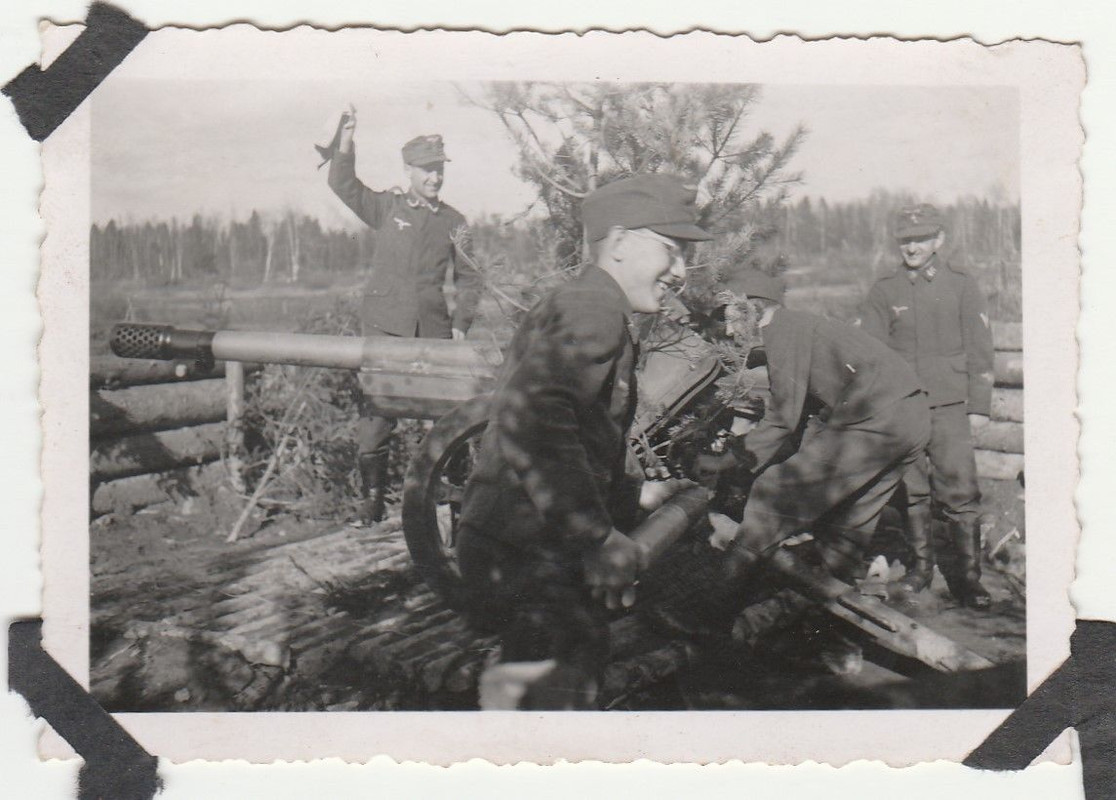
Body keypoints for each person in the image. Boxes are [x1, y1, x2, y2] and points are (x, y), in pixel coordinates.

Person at [454, 174, 713, 710]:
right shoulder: (594, 310)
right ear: (618, 243)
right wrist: (597, 537)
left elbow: (571, 430)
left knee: (535, 701)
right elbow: (538, 421)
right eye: (671, 250)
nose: (682, 271)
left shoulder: (579, 301)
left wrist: (629, 496)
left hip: (514, 540)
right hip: (534, 552)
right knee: (559, 712)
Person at [712, 270, 932, 588]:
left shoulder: (781, 331)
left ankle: (715, 595)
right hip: (912, 416)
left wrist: (731, 461)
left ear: (754, 308)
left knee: (774, 491)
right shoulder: (802, 326)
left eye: (732, 319)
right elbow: (808, 417)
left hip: (878, 417)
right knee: (848, 525)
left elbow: (781, 419)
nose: (730, 331)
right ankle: (815, 600)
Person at [322, 108, 481, 523]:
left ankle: (456, 508)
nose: (434, 178)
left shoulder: (455, 223)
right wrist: (345, 141)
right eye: (427, 170)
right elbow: (342, 183)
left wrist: (462, 324)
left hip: (432, 332)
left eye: (439, 170)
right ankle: (369, 506)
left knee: (449, 419)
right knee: (376, 417)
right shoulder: (386, 208)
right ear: (408, 170)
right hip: (384, 328)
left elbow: (471, 277)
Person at [856, 204, 993, 609]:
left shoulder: (962, 285)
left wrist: (979, 405)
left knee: (960, 492)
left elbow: (980, 350)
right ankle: (921, 570)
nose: (911, 247)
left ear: (939, 241)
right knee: (913, 492)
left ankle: (969, 580)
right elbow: (871, 353)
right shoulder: (884, 290)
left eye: (920, 239)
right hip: (904, 408)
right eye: (905, 240)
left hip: (950, 406)